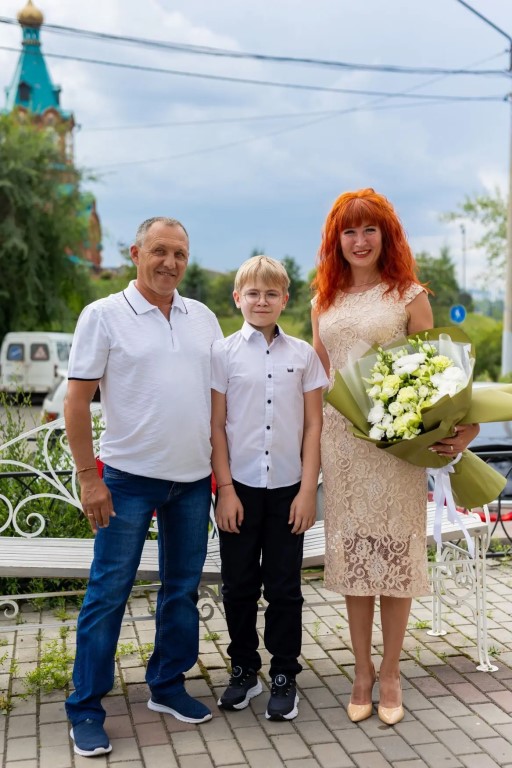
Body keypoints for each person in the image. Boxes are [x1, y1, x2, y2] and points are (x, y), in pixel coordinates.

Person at [311, 189, 478, 726]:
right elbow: (317, 377)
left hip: (396, 445)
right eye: (349, 231)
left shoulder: (409, 295)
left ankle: (390, 673)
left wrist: (465, 427)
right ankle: (360, 672)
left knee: (395, 558)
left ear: (387, 236)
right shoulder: (323, 300)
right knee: (355, 558)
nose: (359, 241)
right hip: (342, 444)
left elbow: (439, 372)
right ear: (337, 240)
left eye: (369, 230)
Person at [64, 217, 223, 757]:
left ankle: (167, 685)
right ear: (135, 253)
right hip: (127, 481)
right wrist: (90, 477)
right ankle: (86, 708)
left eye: (179, 253)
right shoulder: (104, 315)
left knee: (181, 590)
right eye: (159, 251)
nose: (170, 263)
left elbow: (222, 398)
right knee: (108, 594)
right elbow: (75, 402)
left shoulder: (203, 318)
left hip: (193, 482)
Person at [211, 255, 328, 721]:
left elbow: (314, 426)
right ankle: (244, 669)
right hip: (238, 488)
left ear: (285, 299)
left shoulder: (303, 356)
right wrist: (224, 489)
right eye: (253, 293)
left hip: (287, 489)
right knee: (238, 586)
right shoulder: (222, 354)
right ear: (238, 298)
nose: (262, 301)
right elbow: (216, 427)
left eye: (271, 293)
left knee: (284, 587)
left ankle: (283, 673)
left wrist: (307, 491)